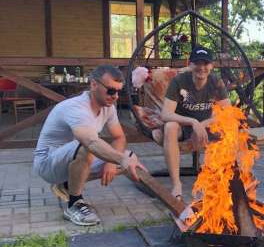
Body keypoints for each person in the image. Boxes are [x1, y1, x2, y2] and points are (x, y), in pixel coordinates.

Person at [33, 65, 147, 226]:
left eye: (118, 91)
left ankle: (66, 184)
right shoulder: (76, 107)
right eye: (110, 91)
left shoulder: (108, 108)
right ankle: (74, 204)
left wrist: (111, 162)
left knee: (130, 156)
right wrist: (120, 160)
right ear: (94, 85)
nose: (115, 97)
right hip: (48, 164)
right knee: (90, 148)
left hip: (72, 159)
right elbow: (90, 141)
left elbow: (119, 137)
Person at [152, 45, 230, 199]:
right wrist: (193, 122)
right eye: (197, 63)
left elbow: (227, 113)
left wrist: (204, 124)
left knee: (229, 128)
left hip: (207, 125)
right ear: (190, 64)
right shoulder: (179, 81)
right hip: (184, 125)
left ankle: (216, 182)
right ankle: (176, 185)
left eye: (205, 63)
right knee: (170, 126)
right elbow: (166, 114)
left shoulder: (216, 82)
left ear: (211, 66)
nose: (201, 68)